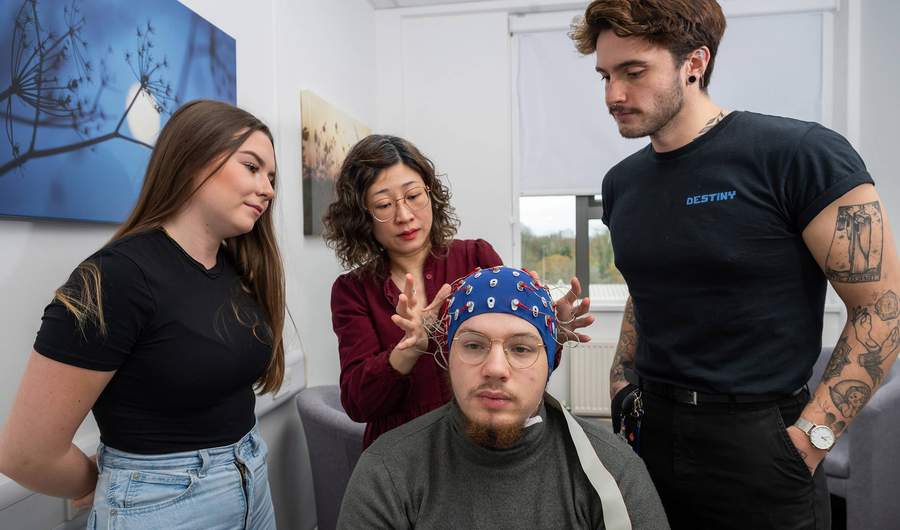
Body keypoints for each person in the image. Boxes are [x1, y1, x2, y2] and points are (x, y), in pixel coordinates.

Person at [569, 1, 900, 529]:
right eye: (605, 75)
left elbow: (882, 308)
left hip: (762, 442)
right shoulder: (621, 183)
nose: (613, 95)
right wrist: (620, 383)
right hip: (649, 431)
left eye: (634, 72)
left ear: (694, 62)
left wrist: (809, 441)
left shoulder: (801, 155)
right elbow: (648, 284)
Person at [0, 100, 285, 529]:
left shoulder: (234, 271)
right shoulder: (116, 278)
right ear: (193, 161)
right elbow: (25, 453)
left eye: (271, 177)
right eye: (252, 167)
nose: (268, 188)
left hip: (252, 479)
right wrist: (116, 481)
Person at [337, 266, 668, 529]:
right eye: (473, 345)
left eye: (521, 348)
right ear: (446, 358)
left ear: (549, 362)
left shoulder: (612, 468)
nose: (495, 368)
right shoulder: (387, 474)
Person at [324, 135, 594, 448]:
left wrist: (548, 333)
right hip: (400, 451)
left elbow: (518, 368)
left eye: (413, 196)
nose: (404, 216)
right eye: (384, 205)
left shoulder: (476, 259)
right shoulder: (353, 291)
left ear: (430, 193)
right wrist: (408, 349)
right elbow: (358, 404)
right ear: (362, 217)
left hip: (478, 442)